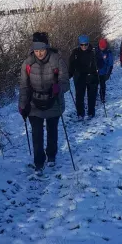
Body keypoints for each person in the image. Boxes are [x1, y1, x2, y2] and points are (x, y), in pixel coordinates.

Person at [19, 32, 70, 174]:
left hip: (53, 102)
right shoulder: (27, 63)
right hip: (34, 103)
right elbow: (23, 86)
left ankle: (51, 155)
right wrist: (23, 104)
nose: (39, 53)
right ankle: (39, 161)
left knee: (52, 130)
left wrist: (58, 87)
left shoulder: (57, 60)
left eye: (41, 50)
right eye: (36, 50)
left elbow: (66, 83)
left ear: (47, 48)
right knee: (37, 133)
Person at [69, 35, 99, 119]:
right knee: (79, 96)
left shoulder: (93, 52)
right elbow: (71, 65)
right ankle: (80, 114)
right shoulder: (75, 52)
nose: (84, 46)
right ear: (79, 44)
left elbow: (98, 63)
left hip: (91, 76)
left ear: (88, 44)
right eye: (82, 45)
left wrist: (98, 71)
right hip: (79, 77)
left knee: (92, 96)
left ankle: (91, 112)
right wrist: (68, 75)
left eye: (85, 44)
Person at [95, 38, 113, 104]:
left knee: (102, 85)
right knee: (94, 84)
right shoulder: (95, 51)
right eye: (101, 47)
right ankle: (95, 95)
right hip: (95, 72)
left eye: (103, 47)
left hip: (103, 72)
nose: (102, 48)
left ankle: (102, 97)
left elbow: (110, 63)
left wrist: (108, 73)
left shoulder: (108, 52)